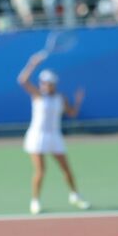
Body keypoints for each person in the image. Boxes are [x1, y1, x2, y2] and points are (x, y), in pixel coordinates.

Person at [18, 51, 90, 215]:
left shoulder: (61, 98)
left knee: (66, 169)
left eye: (49, 82)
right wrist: (32, 63)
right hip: (37, 137)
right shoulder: (37, 95)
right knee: (40, 171)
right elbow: (22, 80)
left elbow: (71, 114)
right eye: (43, 82)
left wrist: (78, 102)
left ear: (54, 84)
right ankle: (35, 201)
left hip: (55, 137)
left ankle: (75, 196)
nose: (46, 85)